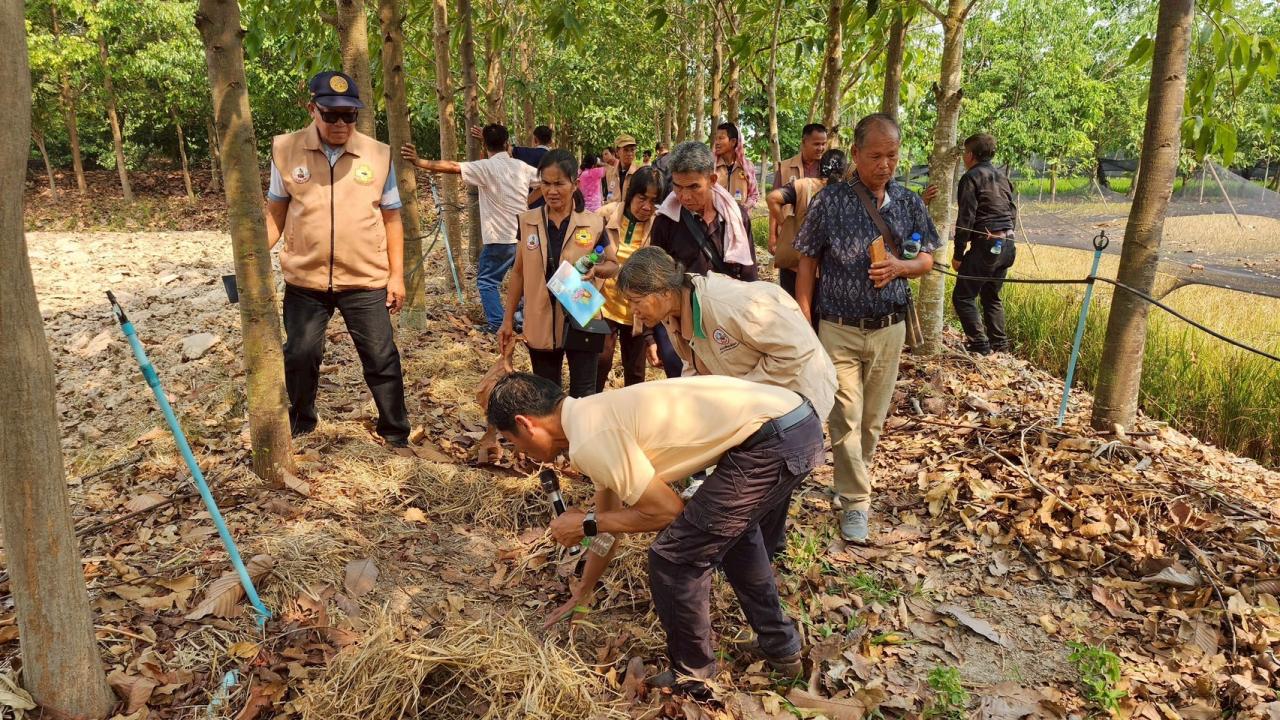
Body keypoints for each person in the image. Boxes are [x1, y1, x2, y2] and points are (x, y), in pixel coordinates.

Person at [487, 372, 823, 688]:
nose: (519, 453)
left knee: (674, 557)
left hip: (773, 439)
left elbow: (665, 512)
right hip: (793, 422)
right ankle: (782, 650)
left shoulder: (590, 438)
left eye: (512, 442)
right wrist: (585, 588)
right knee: (732, 534)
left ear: (525, 424)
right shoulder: (591, 415)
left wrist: (584, 523)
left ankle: (694, 678)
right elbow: (610, 521)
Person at [792, 113, 940, 544]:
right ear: (856, 154)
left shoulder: (910, 202)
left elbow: (927, 258)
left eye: (892, 155)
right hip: (838, 326)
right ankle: (857, 502)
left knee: (872, 421)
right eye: (875, 156)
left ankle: (848, 478)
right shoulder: (831, 201)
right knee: (845, 416)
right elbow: (807, 259)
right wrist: (805, 319)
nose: (885, 164)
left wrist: (902, 267)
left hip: (888, 328)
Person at [265, 71, 412, 453]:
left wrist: (396, 276)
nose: (341, 124)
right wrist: (251, 261)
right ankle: (301, 422)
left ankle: (395, 431)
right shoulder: (286, 150)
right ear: (312, 109)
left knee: (381, 355)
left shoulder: (379, 155)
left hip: (364, 278)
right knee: (300, 352)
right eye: (332, 115)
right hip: (306, 279)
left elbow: (392, 217)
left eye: (350, 115)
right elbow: (276, 214)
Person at [618, 246, 836, 421]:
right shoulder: (672, 309)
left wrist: (737, 394)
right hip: (758, 406)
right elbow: (694, 363)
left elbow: (796, 351)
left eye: (636, 301)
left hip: (799, 398)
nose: (633, 311)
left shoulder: (727, 304)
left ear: (664, 291)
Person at [498, 150, 619, 397]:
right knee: (546, 395)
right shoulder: (528, 221)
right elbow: (519, 273)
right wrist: (508, 319)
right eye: (546, 183)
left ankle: (581, 436)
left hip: (582, 316)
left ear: (574, 184)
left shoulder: (593, 223)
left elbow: (612, 263)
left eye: (559, 184)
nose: (552, 191)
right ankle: (555, 437)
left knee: (583, 394)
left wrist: (597, 269)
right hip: (539, 319)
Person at [401, 124, 540, 334]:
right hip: (522, 236)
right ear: (507, 144)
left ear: (485, 145)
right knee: (522, 278)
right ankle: (520, 320)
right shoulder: (522, 167)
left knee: (487, 281)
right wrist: (528, 203)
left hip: (499, 237)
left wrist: (419, 162)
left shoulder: (484, 167)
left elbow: (452, 166)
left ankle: (498, 324)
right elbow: (545, 182)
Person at [649, 140, 758, 378]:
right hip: (683, 325)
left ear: (712, 180)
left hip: (728, 321)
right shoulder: (666, 222)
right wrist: (653, 336)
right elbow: (655, 281)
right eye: (677, 187)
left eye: (693, 187)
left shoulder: (735, 217)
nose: (684, 196)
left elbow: (749, 276)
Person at [595, 167, 664, 392]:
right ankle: (590, 408)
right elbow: (585, 254)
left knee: (635, 372)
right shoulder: (605, 215)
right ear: (631, 194)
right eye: (642, 198)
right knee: (600, 361)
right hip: (603, 305)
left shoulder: (659, 225)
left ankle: (631, 418)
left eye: (654, 201)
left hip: (637, 310)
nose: (646, 207)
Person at [949, 133, 1017, 355]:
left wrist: (959, 253)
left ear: (969, 155)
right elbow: (1012, 210)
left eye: (963, 154)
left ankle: (980, 344)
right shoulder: (1002, 177)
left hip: (987, 244)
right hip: (1007, 244)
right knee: (991, 296)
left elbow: (966, 217)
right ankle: (1000, 345)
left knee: (963, 296)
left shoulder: (971, 177)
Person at [767, 149, 846, 311]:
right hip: (827, 271)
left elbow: (772, 198)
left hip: (796, 265)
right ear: (844, 171)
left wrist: (788, 225)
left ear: (820, 167)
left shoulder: (804, 185)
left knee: (792, 314)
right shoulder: (848, 192)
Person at [712, 122, 760, 211]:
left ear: (733, 142)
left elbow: (754, 195)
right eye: (716, 139)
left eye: (721, 138)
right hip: (716, 220)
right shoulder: (710, 166)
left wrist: (744, 208)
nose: (717, 143)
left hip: (740, 220)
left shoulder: (747, 166)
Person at [773, 123, 828, 188]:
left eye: (823, 144)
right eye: (816, 144)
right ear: (804, 142)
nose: (821, 148)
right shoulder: (784, 167)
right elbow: (774, 196)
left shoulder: (829, 168)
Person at [605, 135, 644, 204]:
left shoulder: (640, 173)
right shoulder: (610, 173)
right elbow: (610, 193)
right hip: (613, 212)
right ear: (617, 152)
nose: (630, 154)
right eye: (626, 150)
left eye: (632, 150)